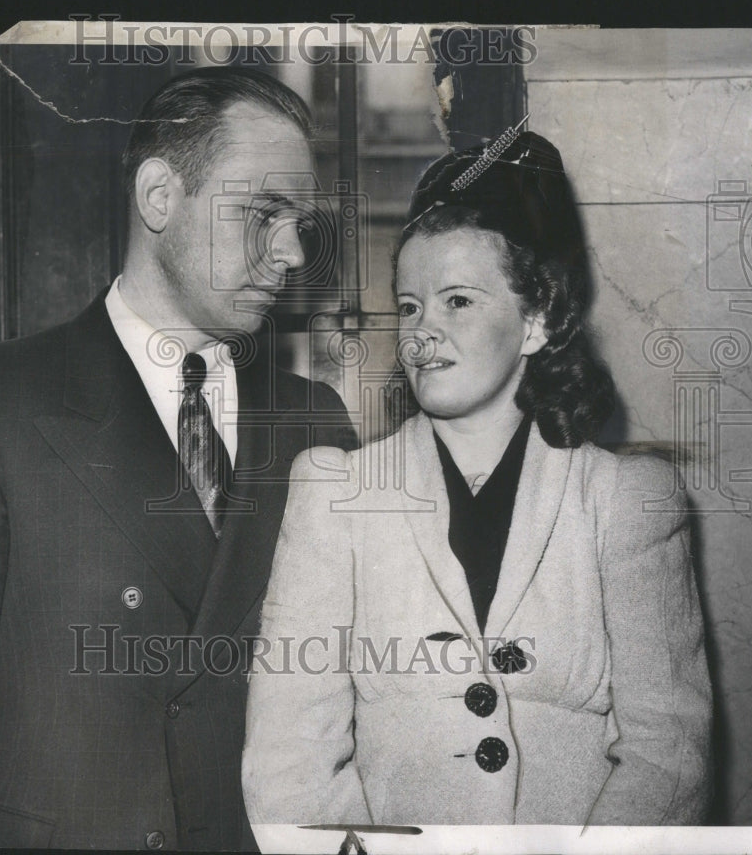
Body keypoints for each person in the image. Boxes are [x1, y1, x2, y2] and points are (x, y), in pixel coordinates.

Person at [0, 66, 356, 850]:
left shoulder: (316, 424)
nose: (293, 252)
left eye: (300, 222)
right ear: (160, 197)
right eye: (265, 213)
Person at [242, 128, 713, 827]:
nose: (422, 331)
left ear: (537, 319)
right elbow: (288, 765)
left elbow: (668, 757)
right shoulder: (336, 493)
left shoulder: (624, 503)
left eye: (457, 301)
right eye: (409, 306)